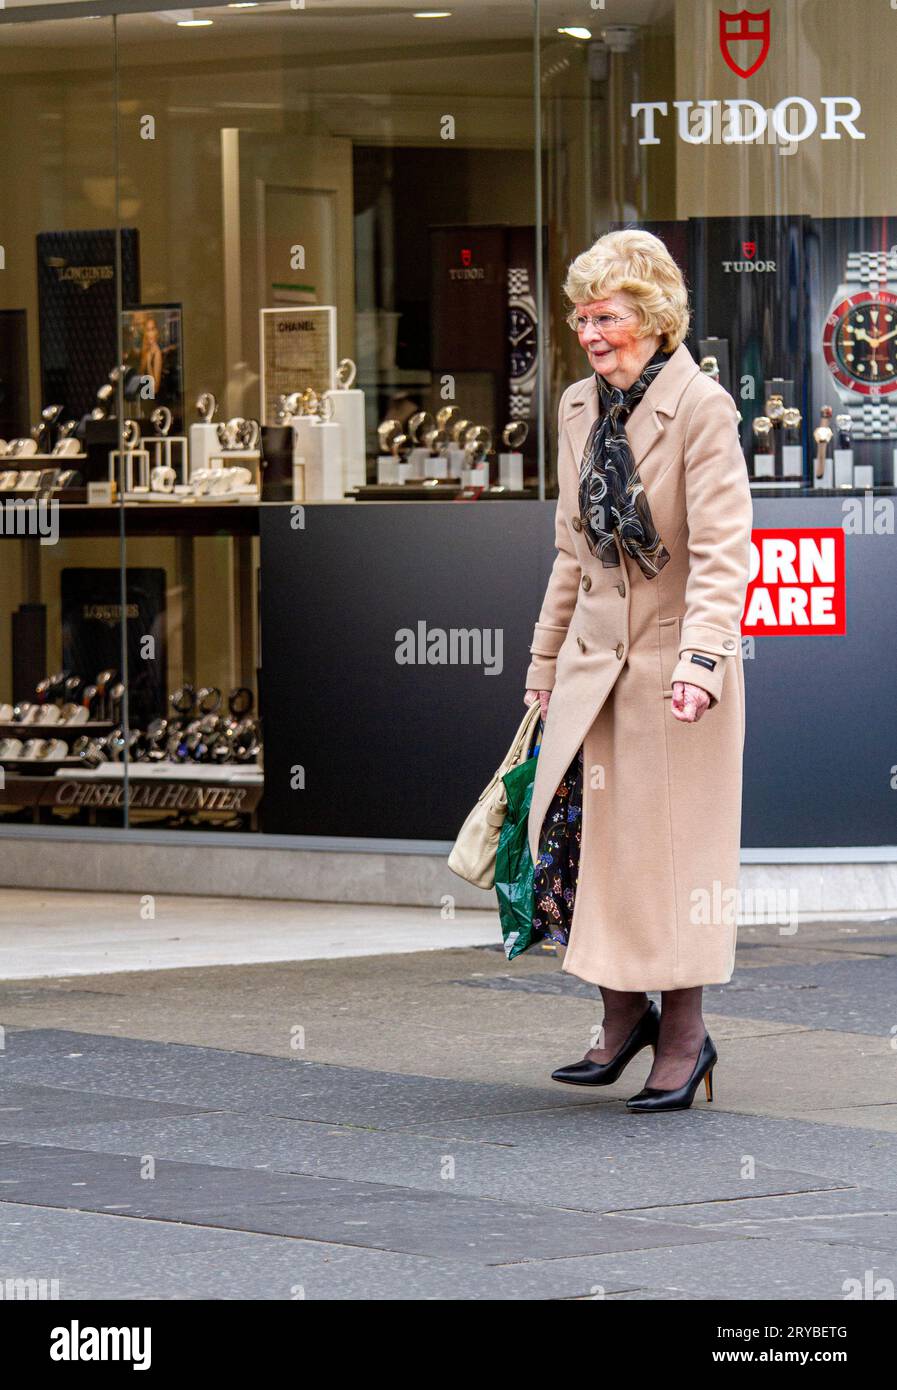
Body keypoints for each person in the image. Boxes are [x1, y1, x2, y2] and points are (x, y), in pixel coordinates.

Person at [523, 228, 753, 1113]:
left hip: (670, 672)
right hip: (591, 668)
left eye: (606, 316)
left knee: (669, 859)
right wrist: (543, 664)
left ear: (652, 318)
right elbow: (569, 554)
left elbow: (725, 555)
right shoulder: (578, 407)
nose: (589, 332)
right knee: (586, 847)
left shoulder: (703, 408)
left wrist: (702, 662)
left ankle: (685, 1038)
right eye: (580, 318)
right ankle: (621, 1018)